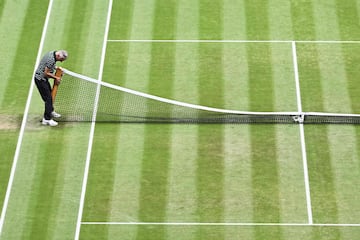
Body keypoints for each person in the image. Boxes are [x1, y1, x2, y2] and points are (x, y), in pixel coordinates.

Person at [34, 50, 68, 126]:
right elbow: (46, 73)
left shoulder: (52, 54)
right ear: (58, 56)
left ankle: (50, 111)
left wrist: (57, 69)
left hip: (43, 80)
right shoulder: (51, 59)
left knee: (50, 97)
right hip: (40, 80)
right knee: (48, 99)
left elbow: (48, 66)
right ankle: (46, 119)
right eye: (61, 60)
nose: (61, 61)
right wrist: (56, 78)